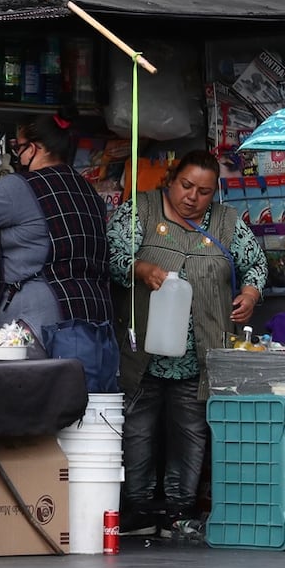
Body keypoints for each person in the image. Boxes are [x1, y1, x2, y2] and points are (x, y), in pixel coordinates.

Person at [106, 149, 268, 536]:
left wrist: (249, 294)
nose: (193, 197)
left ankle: (180, 510)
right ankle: (139, 509)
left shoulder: (228, 223)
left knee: (191, 432)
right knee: (137, 430)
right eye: (186, 186)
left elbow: (256, 265)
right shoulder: (141, 210)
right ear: (171, 179)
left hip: (199, 357)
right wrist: (140, 268)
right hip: (144, 353)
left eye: (204, 191)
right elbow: (113, 256)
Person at [0, 108, 119, 392]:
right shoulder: (87, 191)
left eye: (18, 148)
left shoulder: (19, 187)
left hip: (39, 323)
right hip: (92, 320)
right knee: (80, 415)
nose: (17, 156)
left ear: (35, 148)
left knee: (27, 410)